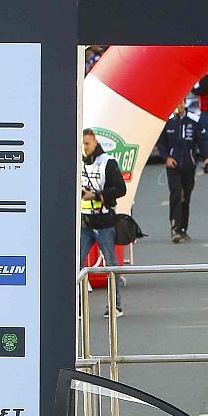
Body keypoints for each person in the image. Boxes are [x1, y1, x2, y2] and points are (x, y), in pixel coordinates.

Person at [79, 128, 126, 313]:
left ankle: (115, 305)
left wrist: (97, 195)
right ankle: (78, 307)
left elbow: (121, 189)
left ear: (95, 143)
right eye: (82, 143)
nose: (84, 147)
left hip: (105, 222)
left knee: (111, 265)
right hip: (84, 223)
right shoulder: (77, 160)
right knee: (76, 264)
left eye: (87, 143)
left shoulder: (107, 162)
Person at [160, 101, 208, 243]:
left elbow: (203, 141)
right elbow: (161, 142)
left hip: (189, 166)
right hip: (173, 166)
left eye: (181, 103)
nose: (178, 106)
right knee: (176, 194)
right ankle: (174, 229)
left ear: (184, 103)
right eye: (176, 104)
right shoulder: (168, 121)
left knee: (186, 197)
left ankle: (183, 228)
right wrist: (167, 157)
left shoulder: (194, 120)